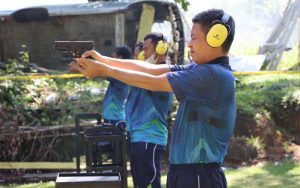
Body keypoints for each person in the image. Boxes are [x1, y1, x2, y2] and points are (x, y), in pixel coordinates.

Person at [70, 8, 236, 188]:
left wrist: (104, 70)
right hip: (188, 171)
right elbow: (150, 69)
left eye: (194, 38)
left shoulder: (212, 74)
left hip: (198, 175)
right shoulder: (201, 70)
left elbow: (152, 81)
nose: (189, 44)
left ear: (216, 37)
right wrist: (103, 60)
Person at [123, 33, 173, 188]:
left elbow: (144, 78)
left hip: (149, 136)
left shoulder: (163, 73)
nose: (143, 53)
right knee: (140, 184)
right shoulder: (146, 72)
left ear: (160, 48)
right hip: (137, 135)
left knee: (151, 183)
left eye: (146, 49)